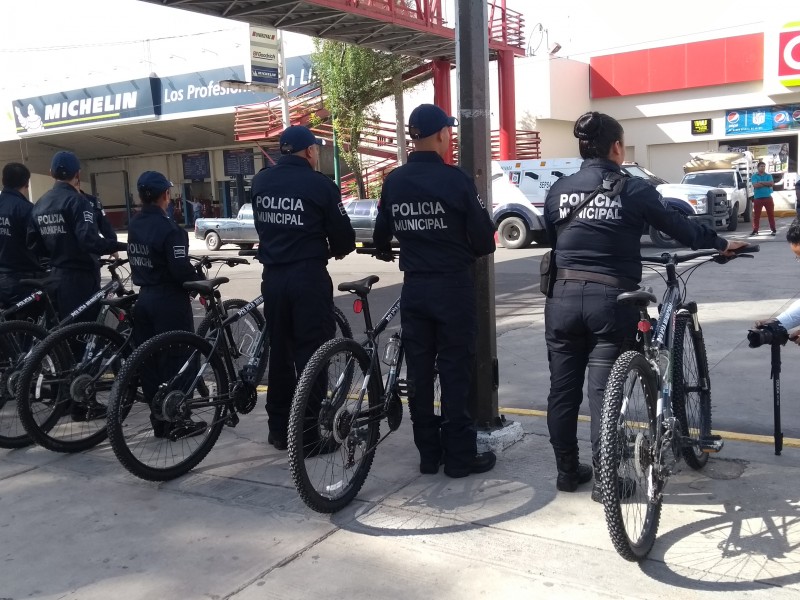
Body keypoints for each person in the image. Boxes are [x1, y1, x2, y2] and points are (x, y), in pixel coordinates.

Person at [543, 111, 747, 500]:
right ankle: (607, 481)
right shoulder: (631, 189)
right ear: (617, 147)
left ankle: (568, 472)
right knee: (604, 394)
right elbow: (677, 226)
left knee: (562, 391)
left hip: (561, 299)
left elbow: (557, 235)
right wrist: (721, 244)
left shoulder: (559, 189)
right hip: (611, 301)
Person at [373, 103, 498, 478]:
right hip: (453, 287)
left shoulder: (394, 180)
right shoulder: (456, 180)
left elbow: (382, 235)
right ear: (442, 135)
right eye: (449, 131)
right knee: (455, 370)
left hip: (415, 288)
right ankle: (459, 456)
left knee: (421, 372)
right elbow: (485, 240)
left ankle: (428, 454)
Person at [250, 125, 356, 451]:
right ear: (310, 152)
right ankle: (309, 435)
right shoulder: (320, 185)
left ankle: (279, 431)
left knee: (280, 353)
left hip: (274, 279)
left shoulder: (261, 181)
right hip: (307, 278)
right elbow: (343, 238)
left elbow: (262, 227)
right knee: (313, 357)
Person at [127, 171, 206, 439]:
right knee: (179, 360)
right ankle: (178, 419)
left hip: (145, 299)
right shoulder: (170, 229)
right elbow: (179, 270)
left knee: (150, 363)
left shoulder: (135, 224)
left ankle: (159, 420)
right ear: (165, 195)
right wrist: (200, 287)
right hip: (169, 302)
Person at [27, 151, 125, 321]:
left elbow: (34, 244)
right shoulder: (79, 202)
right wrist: (120, 246)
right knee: (82, 332)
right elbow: (90, 241)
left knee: (60, 334)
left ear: (51, 173)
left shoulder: (40, 203)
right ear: (78, 174)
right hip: (81, 280)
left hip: (55, 277)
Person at [0, 163, 45, 319]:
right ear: (26, 183)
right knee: (28, 330)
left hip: (3, 278)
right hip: (23, 280)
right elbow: (39, 242)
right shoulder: (26, 209)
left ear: (3, 180)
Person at [750, 161, 776, 237]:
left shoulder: (768, 175)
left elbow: (771, 183)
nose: (763, 168)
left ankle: (773, 229)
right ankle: (755, 230)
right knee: (756, 216)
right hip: (758, 198)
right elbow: (755, 185)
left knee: (770, 214)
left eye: (764, 166)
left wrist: (761, 182)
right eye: (761, 166)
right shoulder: (754, 176)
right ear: (758, 168)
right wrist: (766, 183)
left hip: (768, 197)